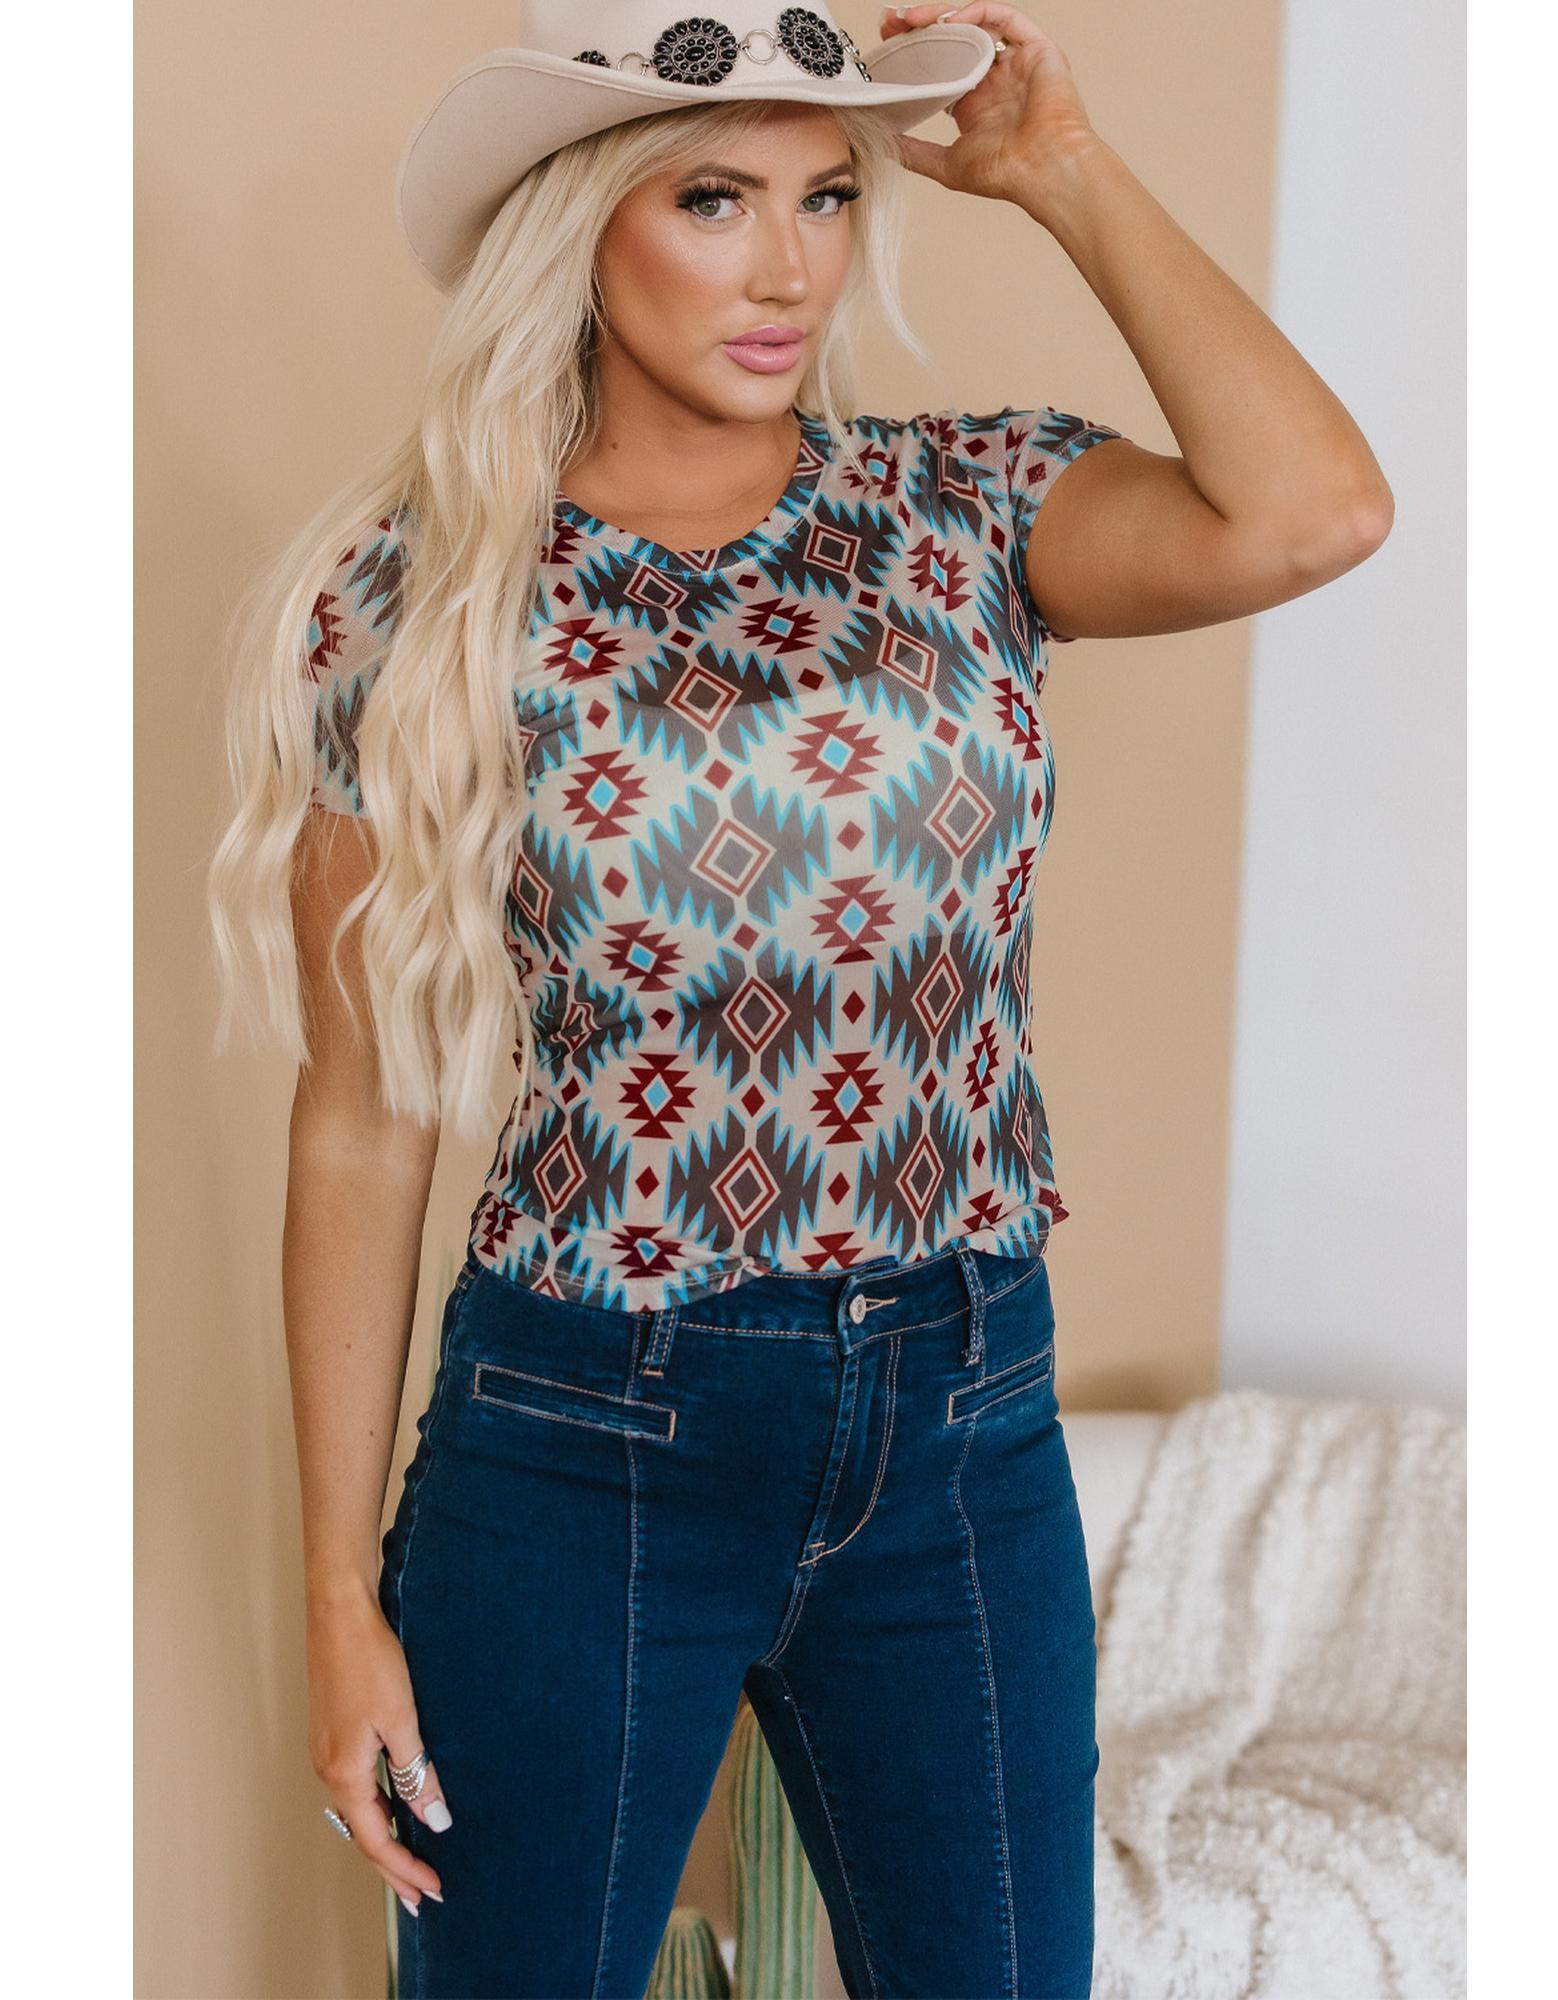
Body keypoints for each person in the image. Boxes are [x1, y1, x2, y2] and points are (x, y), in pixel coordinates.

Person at [207, 3, 1392, 1994]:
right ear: (577, 220)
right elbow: (361, 1114)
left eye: (826, 197)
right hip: (583, 1432)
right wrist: (338, 1593)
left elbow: (1312, 511)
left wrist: (1061, 170)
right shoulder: (418, 598)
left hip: (959, 1423)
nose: (786, 267)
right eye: (712, 198)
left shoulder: (963, 508)